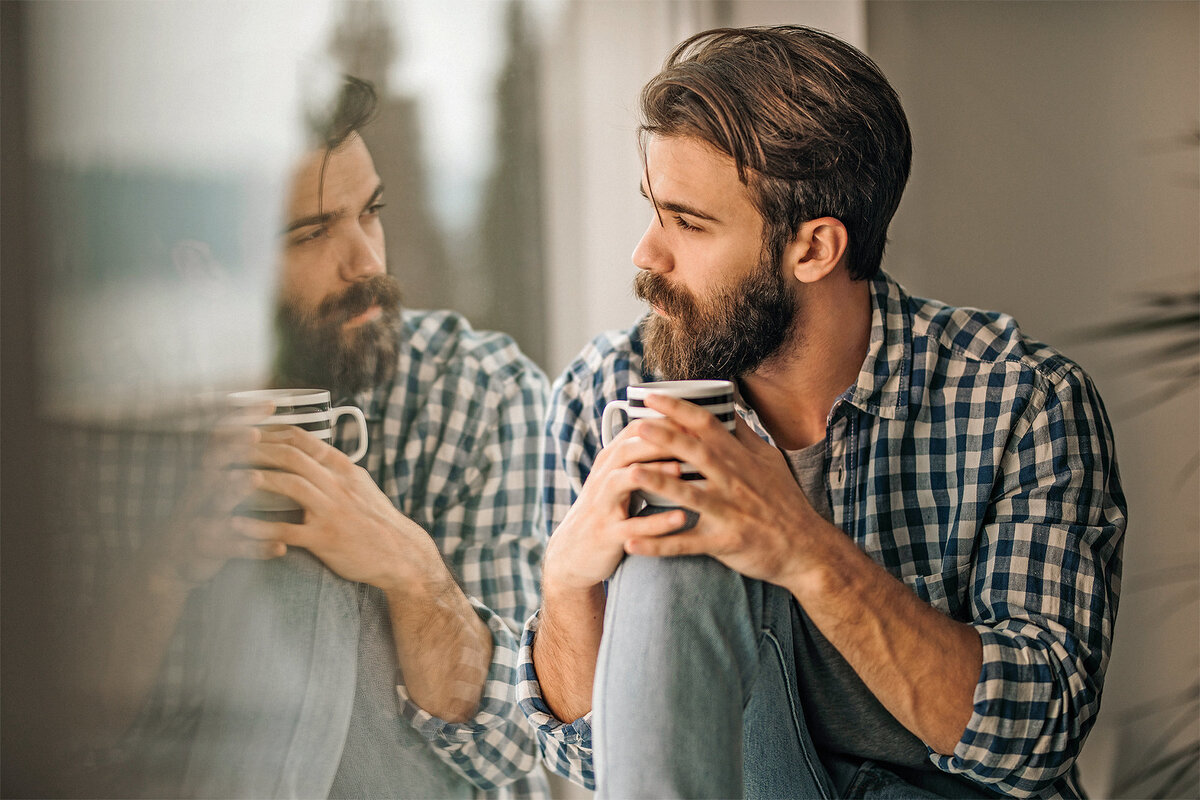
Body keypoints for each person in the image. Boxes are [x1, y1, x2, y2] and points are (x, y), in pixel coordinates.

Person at [518, 26, 1126, 800]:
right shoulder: (603, 394)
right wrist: (568, 579)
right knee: (671, 539)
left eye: (689, 223)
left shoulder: (1021, 401)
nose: (646, 254)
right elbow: (588, 755)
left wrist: (801, 547)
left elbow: (1035, 737)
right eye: (653, 211)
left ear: (815, 248)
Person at [71, 76, 550, 799]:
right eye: (312, 233)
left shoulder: (476, 391)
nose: (366, 263)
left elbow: (513, 745)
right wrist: (168, 565)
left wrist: (407, 567)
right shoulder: (116, 423)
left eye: (371, 214)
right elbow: (74, 746)